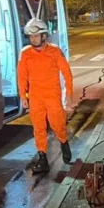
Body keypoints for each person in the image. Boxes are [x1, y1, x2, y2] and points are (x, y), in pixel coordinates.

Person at [17, 19, 74, 173]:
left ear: (44, 35)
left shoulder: (55, 51)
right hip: (36, 97)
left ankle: (64, 142)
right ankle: (42, 158)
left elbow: (67, 73)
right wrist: (23, 95)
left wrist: (69, 94)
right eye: (31, 36)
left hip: (52, 96)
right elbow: (22, 76)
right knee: (38, 128)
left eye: (36, 36)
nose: (33, 39)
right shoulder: (25, 53)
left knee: (58, 124)